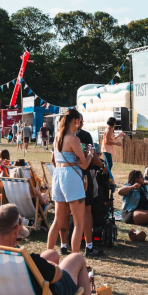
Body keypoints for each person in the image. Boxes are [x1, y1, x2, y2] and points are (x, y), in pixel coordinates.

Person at [0, 204, 114, 295]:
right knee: (77, 259)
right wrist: (53, 267)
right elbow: (57, 276)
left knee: (51, 254)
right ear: (15, 229)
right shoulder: (24, 259)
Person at [47, 108, 94, 255]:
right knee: (78, 222)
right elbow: (84, 165)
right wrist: (91, 154)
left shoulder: (57, 137)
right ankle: (74, 258)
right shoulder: (74, 139)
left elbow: (53, 160)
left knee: (57, 221)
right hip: (71, 177)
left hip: (58, 175)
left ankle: (48, 254)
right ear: (76, 121)